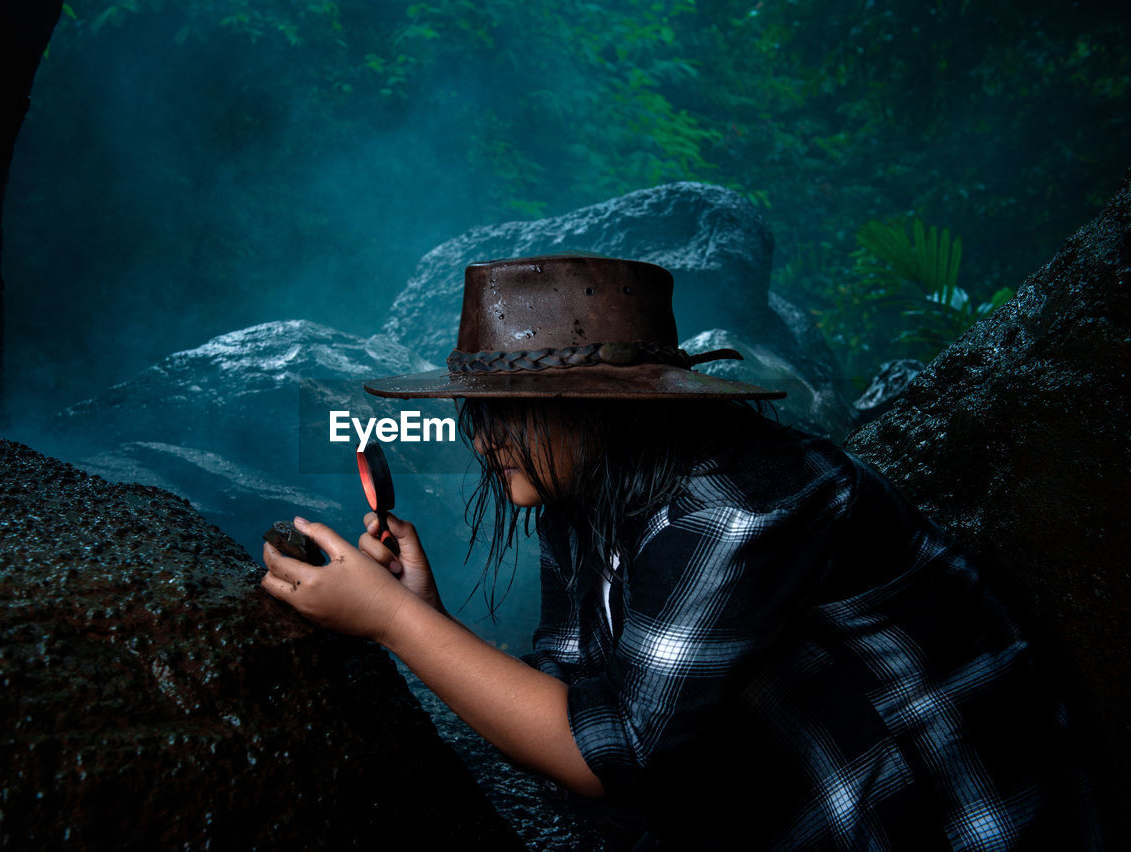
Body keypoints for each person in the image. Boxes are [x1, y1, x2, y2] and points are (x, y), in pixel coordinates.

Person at [261, 254, 1107, 849]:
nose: (483, 445)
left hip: (944, 818)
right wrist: (421, 613)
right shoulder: (581, 497)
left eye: (507, 412)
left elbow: (612, 754)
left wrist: (393, 626)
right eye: (477, 415)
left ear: (608, 409)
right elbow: (570, 696)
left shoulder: (745, 502)